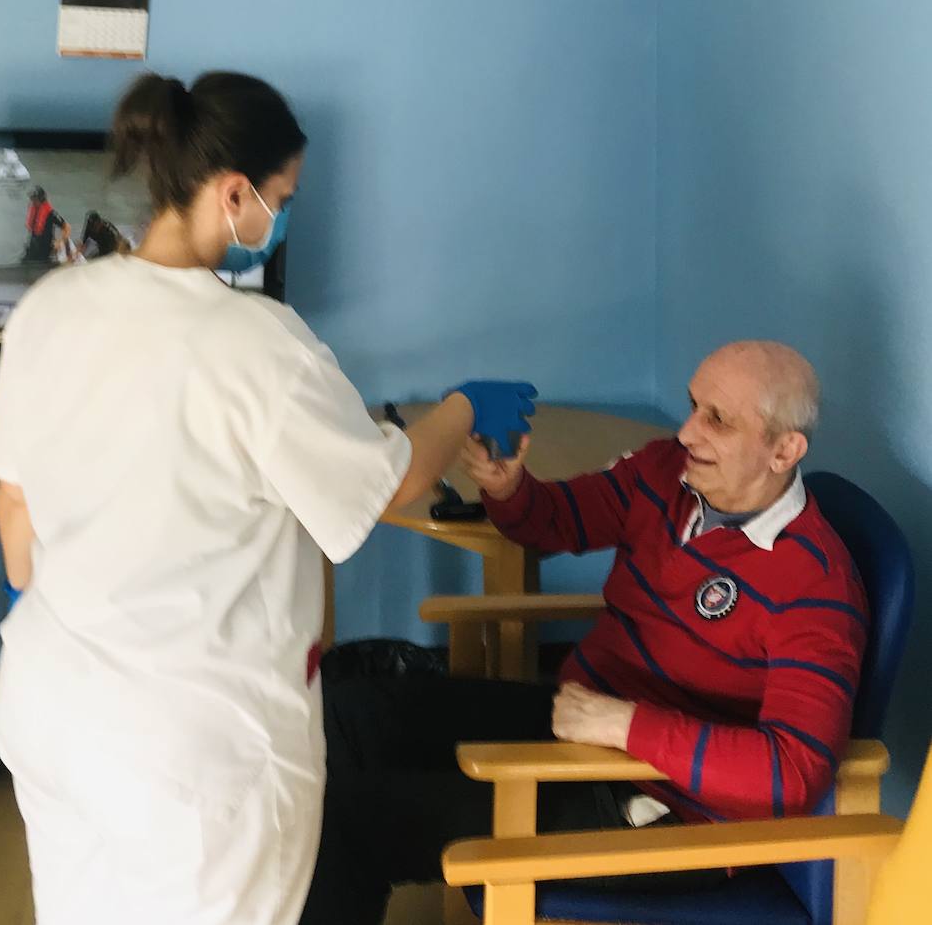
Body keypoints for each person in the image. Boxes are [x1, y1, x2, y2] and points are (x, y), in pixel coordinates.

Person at [0, 69, 537, 925]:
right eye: (281, 197)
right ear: (232, 190)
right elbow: (389, 482)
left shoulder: (52, 307)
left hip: (47, 702)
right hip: (188, 742)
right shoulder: (254, 341)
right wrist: (462, 405)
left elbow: (15, 507)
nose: (278, 220)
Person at [301, 340, 869, 924]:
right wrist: (507, 488)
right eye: (693, 406)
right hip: (579, 725)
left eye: (717, 420)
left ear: (783, 450)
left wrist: (626, 726)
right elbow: (556, 520)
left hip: (669, 810)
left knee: (343, 824)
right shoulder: (664, 473)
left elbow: (791, 772)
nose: (688, 434)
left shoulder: (815, 585)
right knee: (341, 716)